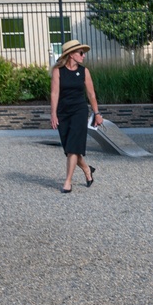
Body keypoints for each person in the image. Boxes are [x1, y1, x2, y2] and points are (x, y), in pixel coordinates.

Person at [50, 40, 102, 193]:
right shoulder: (58, 71)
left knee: (73, 147)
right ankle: (87, 169)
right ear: (71, 55)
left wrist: (97, 113)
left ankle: (68, 182)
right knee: (69, 148)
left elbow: (91, 94)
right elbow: (54, 93)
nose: (83, 56)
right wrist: (53, 113)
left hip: (79, 111)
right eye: (80, 53)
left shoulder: (84, 71)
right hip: (63, 112)